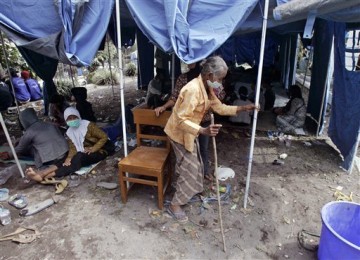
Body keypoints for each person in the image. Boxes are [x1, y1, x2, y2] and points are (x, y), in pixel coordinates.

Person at [164, 56, 257, 222]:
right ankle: (175, 205)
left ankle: (186, 192)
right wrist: (203, 130)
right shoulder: (193, 90)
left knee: (195, 165)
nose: (220, 82)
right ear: (209, 75)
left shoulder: (206, 87)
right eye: (219, 78)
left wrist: (243, 107)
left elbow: (219, 107)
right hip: (178, 133)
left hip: (190, 132)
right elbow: (180, 120)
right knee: (191, 168)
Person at [155, 62, 225, 181]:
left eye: (192, 61)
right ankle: (187, 177)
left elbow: (221, 96)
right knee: (188, 150)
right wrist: (164, 106)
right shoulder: (183, 78)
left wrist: (216, 93)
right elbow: (175, 97)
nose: (188, 63)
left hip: (204, 120)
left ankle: (204, 171)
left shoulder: (211, 79)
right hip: (188, 123)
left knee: (203, 147)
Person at [26, 107, 113, 182]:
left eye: (74, 117)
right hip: (84, 150)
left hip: (102, 150)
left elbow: (104, 137)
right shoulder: (69, 132)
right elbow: (73, 148)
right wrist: (68, 158)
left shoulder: (88, 125)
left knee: (78, 157)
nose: (72, 120)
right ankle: (42, 173)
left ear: (78, 116)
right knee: (65, 158)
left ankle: (49, 175)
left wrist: (94, 148)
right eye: (69, 119)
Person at [0, 108, 68, 169]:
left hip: (51, 160)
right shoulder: (49, 124)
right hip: (65, 154)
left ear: (24, 121)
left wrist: (9, 154)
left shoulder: (30, 131)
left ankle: (40, 167)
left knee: (32, 147)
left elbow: (20, 148)